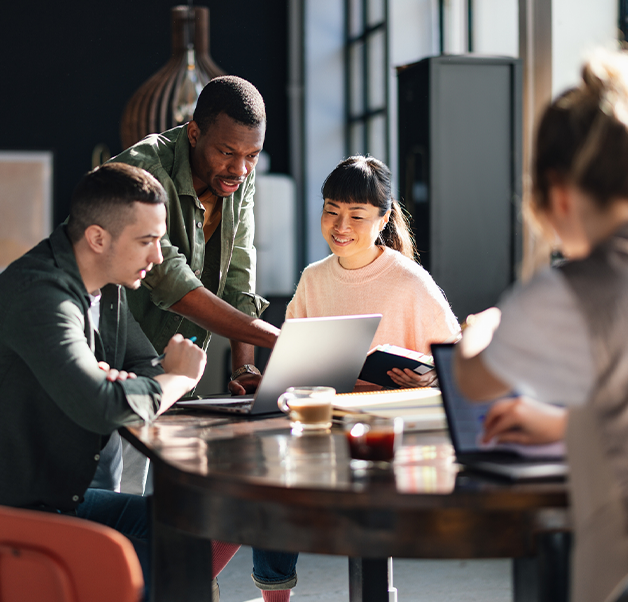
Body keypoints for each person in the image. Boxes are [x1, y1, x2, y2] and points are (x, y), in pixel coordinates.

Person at [111, 75, 297, 602]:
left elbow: (239, 273)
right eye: (227, 152)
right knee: (123, 503)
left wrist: (245, 366)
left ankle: (182, 586)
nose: (239, 168)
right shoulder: (143, 169)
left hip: (178, 366)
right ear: (193, 133)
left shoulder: (239, 176)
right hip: (115, 357)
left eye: (253, 155)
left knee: (175, 501)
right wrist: (274, 339)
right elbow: (170, 282)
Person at [454, 49, 628, 602]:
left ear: (557, 194)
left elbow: (475, 382)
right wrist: (558, 424)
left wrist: (478, 332)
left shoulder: (572, 289)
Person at [0, 162, 207, 600]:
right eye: (147, 241)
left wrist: (131, 385)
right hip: (22, 507)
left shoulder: (108, 286)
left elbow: (144, 366)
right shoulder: (38, 295)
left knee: (192, 528)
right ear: (97, 238)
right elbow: (104, 406)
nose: (157, 258)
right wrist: (180, 379)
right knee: (164, 551)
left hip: (66, 493)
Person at [287, 155, 460, 388]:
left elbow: (455, 357)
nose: (341, 226)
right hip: (326, 415)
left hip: (390, 415)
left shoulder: (410, 281)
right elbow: (289, 360)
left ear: (383, 220)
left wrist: (433, 376)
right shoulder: (312, 278)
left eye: (357, 216)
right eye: (331, 211)